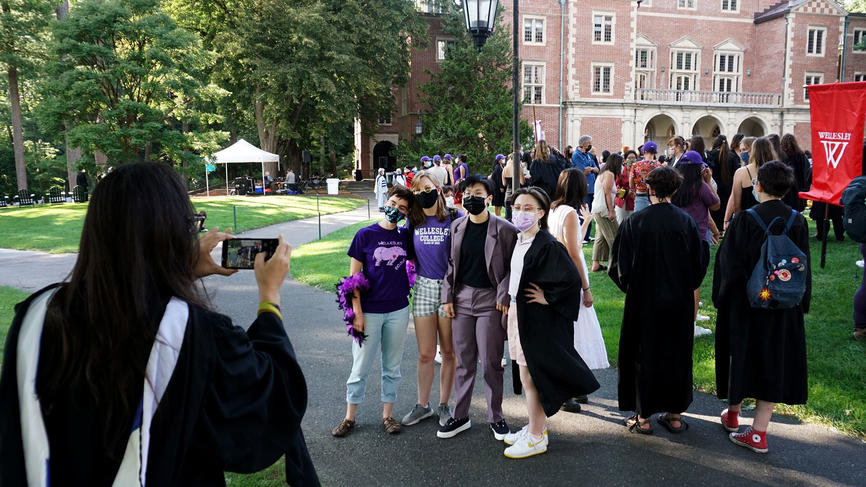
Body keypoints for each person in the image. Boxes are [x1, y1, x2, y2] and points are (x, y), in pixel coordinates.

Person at [0, 162, 318, 485]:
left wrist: (179, 272)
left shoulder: (35, 319)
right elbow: (270, 404)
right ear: (168, 235)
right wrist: (269, 296)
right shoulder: (195, 337)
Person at [713, 161, 811, 454]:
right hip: (784, 304)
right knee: (773, 360)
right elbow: (804, 266)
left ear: (759, 185)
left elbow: (728, 265)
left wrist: (724, 298)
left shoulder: (745, 220)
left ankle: (732, 415)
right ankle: (758, 432)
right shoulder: (798, 220)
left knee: (741, 355)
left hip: (748, 304)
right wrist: (802, 302)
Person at [502, 187, 600, 458]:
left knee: (531, 375)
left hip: (536, 319)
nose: (521, 213)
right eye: (517, 207)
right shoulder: (520, 240)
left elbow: (570, 279)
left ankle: (536, 437)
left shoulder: (547, 244)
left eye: (528, 208)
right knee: (525, 373)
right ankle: (536, 427)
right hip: (517, 312)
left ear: (541, 212)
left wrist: (548, 297)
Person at [609, 166, 708, 434]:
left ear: (649, 189)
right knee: (675, 354)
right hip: (678, 300)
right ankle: (674, 414)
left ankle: (643, 417)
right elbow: (699, 263)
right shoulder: (686, 223)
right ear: (675, 190)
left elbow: (618, 265)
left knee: (643, 354)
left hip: (643, 300)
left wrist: (632, 287)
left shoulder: (634, 222)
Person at [332, 186, 416, 438]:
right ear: (385, 202)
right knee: (360, 366)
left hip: (398, 310)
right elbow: (353, 277)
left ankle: (387, 415)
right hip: (368, 311)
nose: (395, 210)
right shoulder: (365, 235)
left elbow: (414, 264)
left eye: (402, 208)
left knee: (392, 365)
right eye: (393, 204)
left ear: (407, 213)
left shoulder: (405, 237)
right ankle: (349, 418)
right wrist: (356, 312)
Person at [439, 175, 517, 440]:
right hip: (461, 300)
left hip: (490, 301)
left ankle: (497, 417)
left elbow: (512, 267)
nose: (472, 197)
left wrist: (504, 294)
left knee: (491, 363)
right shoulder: (457, 226)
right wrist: (447, 297)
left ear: (489, 197)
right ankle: (460, 416)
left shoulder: (505, 229)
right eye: (468, 192)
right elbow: (451, 264)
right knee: (464, 362)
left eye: (478, 193)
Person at [400, 172, 461, 428]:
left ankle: (444, 405)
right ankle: (422, 405)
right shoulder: (413, 221)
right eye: (416, 191)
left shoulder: (454, 217)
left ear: (437, 188)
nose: (422, 194)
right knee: (426, 353)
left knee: (448, 352)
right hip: (424, 287)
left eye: (426, 188)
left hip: (449, 290)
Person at [548, 168, 609, 411]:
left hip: (559, 274)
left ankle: (574, 384)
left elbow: (570, 242)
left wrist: (586, 223)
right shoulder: (569, 213)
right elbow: (574, 253)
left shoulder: (555, 210)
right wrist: (586, 288)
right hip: (570, 277)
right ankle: (567, 389)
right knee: (572, 334)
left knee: (572, 333)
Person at [672, 151, 721, 337]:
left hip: (677, 236)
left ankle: (681, 317)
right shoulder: (700, 186)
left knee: (679, 279)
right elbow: (715, 205)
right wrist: (708, 181)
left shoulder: (674, 184)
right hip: (698, 238)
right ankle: (690, 324)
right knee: (694, 282)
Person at [723, 136, 775, 230]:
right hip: (771, 221)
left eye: (744, 150)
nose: (742, 153)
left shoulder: (741, 172)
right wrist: (726, 219)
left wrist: (734, 221)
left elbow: (737, 204)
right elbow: (733, 197)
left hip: (749, 222)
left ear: (753, 150)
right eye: (740, 150)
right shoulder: (777, 169)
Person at [590, 153, 623, 272]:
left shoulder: (604, 173)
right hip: (603, 210)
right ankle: (618, 266)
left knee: (600, 238)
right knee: (615, 237)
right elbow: (607, 194)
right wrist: (611, 211)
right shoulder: (609, 174)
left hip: (598, 209)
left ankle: (596, 264)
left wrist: (619, 193)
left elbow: (610, 191)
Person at [706, 135, 739, 230]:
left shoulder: (710, 154)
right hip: (728, 190)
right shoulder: (732, 156)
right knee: (725, 213)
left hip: (714, 189)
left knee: (714, 212)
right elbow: (736, 173)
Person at [571, 135, 599, 243]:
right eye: (589, 143)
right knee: (583, 210)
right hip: (583, 186)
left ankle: (587, 235)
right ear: (584, 144)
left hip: (592, 187)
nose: (591, 145)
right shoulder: (576, 155)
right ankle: (581, 234)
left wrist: (591, 168)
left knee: (589, 211)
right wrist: (590, 169)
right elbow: (583, 171)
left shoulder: (588, 155)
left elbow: (596, 169)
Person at [779, 133, 808, 212]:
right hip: (798, 187)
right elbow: (805, 173)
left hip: (784, 188)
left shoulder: (781, 156)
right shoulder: (801, 156)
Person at [630, 141, 659, 213]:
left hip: (640, 196)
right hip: (656, 198)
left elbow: (631, 183)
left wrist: (634, 189)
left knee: (638, 221)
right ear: (655, 152)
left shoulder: (636, 165)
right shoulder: (659, 166)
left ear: (644, 151)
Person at [614, 150, 637, 223]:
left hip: (634, 200)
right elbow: (615, 187)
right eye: (629, 158)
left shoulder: (638, 171)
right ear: (625, 160)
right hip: (622, 200)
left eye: (634, 158)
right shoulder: (620, 171)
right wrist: (626, 192)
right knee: (620, 222)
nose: (632, 160)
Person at [502, 154, 526, 221]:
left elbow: (504, 184)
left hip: (508, 195)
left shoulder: (505, 168)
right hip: (517, 195)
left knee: (508, 218)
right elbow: (522, 182)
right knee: (517, 218)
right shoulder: (518, 168)